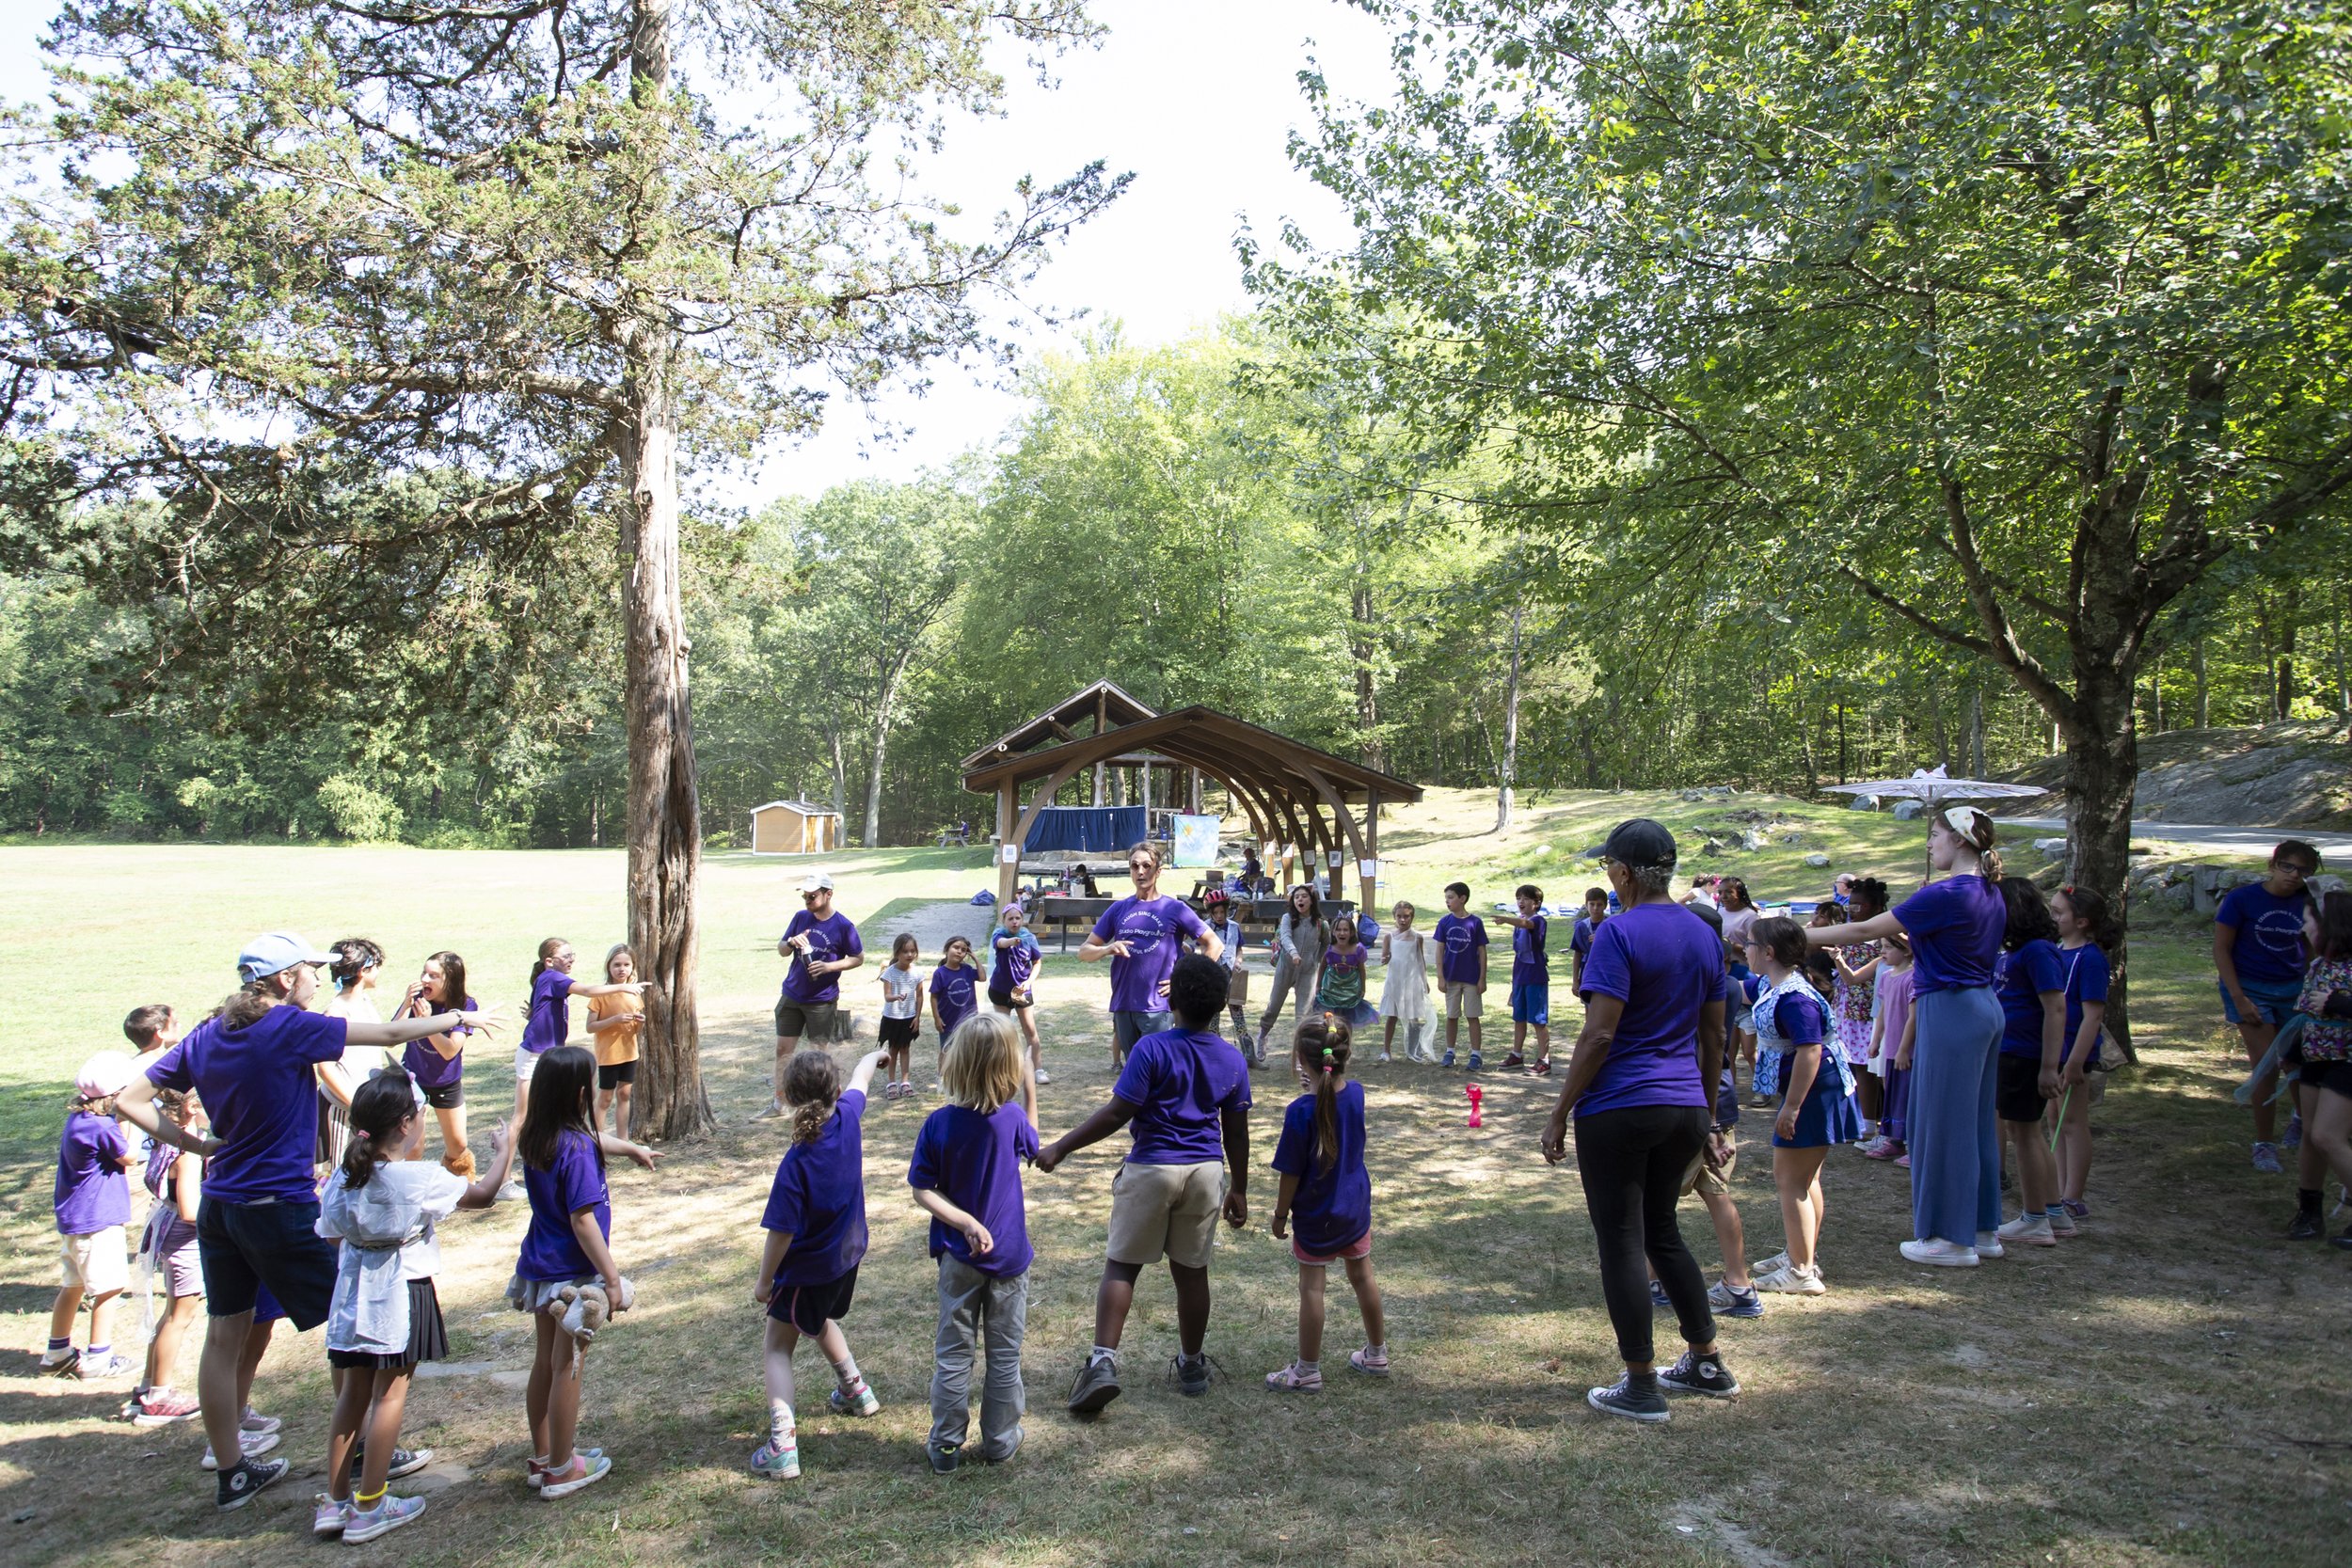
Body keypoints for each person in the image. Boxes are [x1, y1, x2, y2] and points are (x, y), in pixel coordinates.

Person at [115, 933, 499, 1510]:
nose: (319, 979)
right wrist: (458, 1017)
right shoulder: (291, 1028)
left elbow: (129, 1099)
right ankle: (368, 1453)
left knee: (223, 1336)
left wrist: (198, 1147)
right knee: (350, 1335)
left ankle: (232, 1471)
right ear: (284, 978)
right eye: (311, 971)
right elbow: (392, 1035)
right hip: (281, 1207)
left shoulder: (206, 1034)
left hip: (221, 1208)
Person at [1541, 819, 1738, 1423]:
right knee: (1661, 1232)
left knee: (1622, 1240)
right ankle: (1706, 1361)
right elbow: (1713, 1036)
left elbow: (1600, 1032)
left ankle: (1641, 1383)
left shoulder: (1617, 933)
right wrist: (1704, 1118)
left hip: (1622, 1107)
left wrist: (1560, 1110)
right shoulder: (1706, 934)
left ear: (1623, 874)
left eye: (1609, 870)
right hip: (1682, 1107)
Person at [1036, 955, 1250, 1414]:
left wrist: (1060, 1147)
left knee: (1122, 1267)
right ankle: (1191, 1364)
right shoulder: (1231, 1058)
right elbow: (1236, 1131)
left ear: (1170, 998)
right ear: (1218, 1005)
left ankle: (1102, 1364)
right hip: (1205, 1171)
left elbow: (1117, 1113)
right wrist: (1240, 1188)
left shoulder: (1151, 1049)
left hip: (1152, 1167)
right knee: (1192, 1273)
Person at [314, 1069, 516, 1542]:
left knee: (352, 1395)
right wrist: (504, 1152)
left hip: (351, 1292)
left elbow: (329, 1233)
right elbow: (483, 1195)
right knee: (389, 1396)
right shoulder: (418, 1178)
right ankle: (370, 1505)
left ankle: (336, 1499)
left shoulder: (343, 1176)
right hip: (402, 1289)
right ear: (405, 1124)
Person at [1805, 808, 2009, 1267]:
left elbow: (1864, 930)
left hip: (1951, 1008)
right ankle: (1979, 1227)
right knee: (1973, 1125)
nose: (1929, 843)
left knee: (1941, 1125)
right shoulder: (1988, 891)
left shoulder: (1950, 892)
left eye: (1935, 834)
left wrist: (1794, 935)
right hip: (1981, 1006)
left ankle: (1949, 1239)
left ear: (1959, 840)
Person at [510, 1044, 659, 1500]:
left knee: (543, 1364)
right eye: (593, 1083)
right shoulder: (575, 1150)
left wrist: (629, 1147)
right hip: (571, 1277)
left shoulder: (539, 1134)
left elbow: (596, 1138)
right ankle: (561, 1468)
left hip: (539, 1267)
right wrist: (611, 1278)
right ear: (579, 1094)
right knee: (567, 1367)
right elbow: (582, 1220)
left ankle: (543, 1456)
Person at [908, 1015, 1039, 1472]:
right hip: (1007, 1259)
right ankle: (1001, 1441)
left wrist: (961, 1222)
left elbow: (922, 1188)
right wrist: (1031, 1089)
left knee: (953, 1354)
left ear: (955, 1064)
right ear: (1009, 1069)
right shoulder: (1013, 1119)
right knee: (1004, 1356)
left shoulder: (939, 1124)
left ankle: (945, 1445)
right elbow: (1035, 1148)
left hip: (958, 1261)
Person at [751, 1047, 887, 1481]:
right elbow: (862, 1078)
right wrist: (875, 1055)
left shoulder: (796, 1163)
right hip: (845, 1259)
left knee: (777, 1346)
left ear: (790, 1097)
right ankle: (855, 1390)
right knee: (818, 1317)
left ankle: (782, 1445)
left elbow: (782, 1233)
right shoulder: (848, 1117)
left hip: (807, 1270)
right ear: (834, 1090)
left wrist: (765, 1280)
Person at [1265, 1014, 1389, 1391]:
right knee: (1363, 1276)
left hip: (1316, 1215)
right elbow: (1333, 1097)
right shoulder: (1357, 1094)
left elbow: (1290, 1173)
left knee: (1312, 1289)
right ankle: (1376, 1354)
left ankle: (1307, 1371)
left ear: (1302, 1059)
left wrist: (1280, 1214)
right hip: (1353, 1209)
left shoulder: (1299, 1112)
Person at [1745, 917, 1857, 1294]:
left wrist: (1791, 1107)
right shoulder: (1773, 984)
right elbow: (1742, 991)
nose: (1745, 950)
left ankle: (1801, 1270)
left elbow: (1811, 1051)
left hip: (1812, 1093)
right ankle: (1799, 1252)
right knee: (1806, 1180)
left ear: (1769, 952)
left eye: (1749, 944)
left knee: (1790, 1180)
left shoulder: (1795, 999)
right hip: (1808, 1092)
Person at [2217, 840, 2322, 1172]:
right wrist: (2239, 998)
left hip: (2293, 990)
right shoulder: (2242, 899)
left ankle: (2300, 1119)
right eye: (2288, 866)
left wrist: (2311, 989)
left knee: (2298, 1062)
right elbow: (2221, 949)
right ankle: (2264, 1144)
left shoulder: (2307, 902)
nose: (2294, 876)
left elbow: (2311, 950)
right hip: (2249, 988)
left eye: (2303, 871)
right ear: (2273, 865)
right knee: (2265, 1066)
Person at [1079, 841, 1221, 1072]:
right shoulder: (1119, 909)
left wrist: (1187, 983)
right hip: (1123, 1004)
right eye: (1135, 866)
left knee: (1160, 1073)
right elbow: (1084, 952)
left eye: (1146, 865)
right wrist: (1107, 948)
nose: (1141, 871)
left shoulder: (1174, 909)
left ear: (1158, 870)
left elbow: (1214, 943)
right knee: (1135, 1074)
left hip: (1158, 1006)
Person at [1989, 877, 2069, 1247]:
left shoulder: (2038, 951)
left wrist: (2049, 1066)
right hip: (2012, 1053)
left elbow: (2055, 1008)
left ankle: (2034, 1218)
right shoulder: (2015, 950)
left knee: (2024, 1134)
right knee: (2028, 1132)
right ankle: (2053, 1212)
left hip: (2024, 1055)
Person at [47, 1052, 137, 1381]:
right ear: (116, 1095)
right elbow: (129, 1157)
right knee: (109, 1288)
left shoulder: (79, 1119)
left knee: (73, 1285)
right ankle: (100, 1357)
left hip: (75, 1221)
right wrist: (132, 1118)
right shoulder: (102, 1126)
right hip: (97, 1222)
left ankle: (57, 1352)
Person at [761, 873, 866, 1120]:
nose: (807, 900)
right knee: (783, 1051)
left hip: (821, 999)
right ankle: (779, 1103)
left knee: (818, 1054)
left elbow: (858, 958)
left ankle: (818, 1104)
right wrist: (790, 942)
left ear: (828, 894)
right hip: (792, 995)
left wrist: (830, 967)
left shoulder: (843, 926)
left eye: (812, 895)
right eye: (804, 896)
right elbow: (781, 950)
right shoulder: (801, 917)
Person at [129, 1089, 206, 1424]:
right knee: (180, 1317)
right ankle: (160, 1396)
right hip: (184, 1238)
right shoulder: (188, 1149)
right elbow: (191, 1210)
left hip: (166, 1226)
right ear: (191, 1107)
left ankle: (147, 1387)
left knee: (170, 1313)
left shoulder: (165, 1137)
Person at [517, 938, 647, 1131]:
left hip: (551, 1053)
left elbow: (544, 1006)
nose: (571, 960)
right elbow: (587, 991)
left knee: (551, 1111)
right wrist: (624, 986)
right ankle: (510, 1155)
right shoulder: (553, 977)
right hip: (535, 1053)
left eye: (572, 955)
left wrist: (534, 1015)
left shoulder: (550, 979)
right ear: (549, 961)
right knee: (522, 1117)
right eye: (566, 956)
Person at [2289, 893, 2352, 1247]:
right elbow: (2307, 1014)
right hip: (2315, 1057)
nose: (2303, 927)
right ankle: (2309, 1214)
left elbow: (2334, 1006)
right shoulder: (2318, 965)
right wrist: (2293, 1052)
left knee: (2328, 1136)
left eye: (2309, 920)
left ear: (2330, 926)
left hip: (2348, 1061)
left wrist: (2338, 1003)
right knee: (2311, 1135)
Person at [2048, 886, 2114, 1221]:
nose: (2053, 918)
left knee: (2072, 1122)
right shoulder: (2056, 950)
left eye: (2060, 913)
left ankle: (2074, 1196)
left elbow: (2093, 1016)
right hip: (2049, 1051)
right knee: (2053, 1119)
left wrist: (2075, 1062)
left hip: (2073, 1054)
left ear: (2083, 922)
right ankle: (2058, 1191)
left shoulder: (2090, 960)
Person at [393, 952, 477, 1177]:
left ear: (450, 979)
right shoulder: (418, 999)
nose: (424, 980)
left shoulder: (466, 1005)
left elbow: (450, 1050)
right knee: (413, 1147)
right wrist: (405, 1004)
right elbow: (393, 1034)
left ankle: (458, 1190)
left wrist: (427, 1023)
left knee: (458, 1146)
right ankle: (409, 1192)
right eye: (424, 973)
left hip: (445, 1082)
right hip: (413, 1079)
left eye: (433, 975)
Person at [316, 939, 391, 1173]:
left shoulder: (364, 1001)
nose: (379, 971)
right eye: (376, 965)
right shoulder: (336, 1012)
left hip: (365, 1109)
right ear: (363, 970)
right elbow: (325, 1068)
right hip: (343, 1111)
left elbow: (380, 1038)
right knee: (343, 1174)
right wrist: (355, 1107)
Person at [1830, 879, 1888, 1141]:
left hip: (1867, 1008)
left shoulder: (1885, 932)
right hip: (1846, 1004)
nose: (1853, 910)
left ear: (1875, 906)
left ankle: (1869, 1122)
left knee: (1866, 1066)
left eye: (1859, 905)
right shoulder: (1850, 928)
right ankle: (1859, 1117)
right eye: (1850, 904)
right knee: (1851, 1063)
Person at [1255, 884, 1330, 1068]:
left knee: (1303, 1014)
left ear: (1311, 900)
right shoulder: (1288, 918)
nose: (1300, 900)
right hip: (1286, 967)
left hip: (1308, 972)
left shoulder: (1321, 923)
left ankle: (1300, 1053)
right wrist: (1294, 953)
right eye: (1297, 897)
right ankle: (1262, 1037)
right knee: (1274, 1007)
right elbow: (1285, 937)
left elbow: (1326, 943)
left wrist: (1315, 960)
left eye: (1304, 896)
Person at [1862, 933, 1917, 1164]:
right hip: (1891, 1048)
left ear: (1906, 950)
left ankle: (1913, 1146)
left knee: (1908, 1097)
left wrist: (1904, 1049)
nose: (1882, 952)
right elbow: (1883, 1011)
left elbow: (1914, 1017)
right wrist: (1876, 1040)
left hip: (1908, 1051)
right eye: (1881, 947)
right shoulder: (1885, 976)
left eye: (1887, 948)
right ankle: (1894, 1141)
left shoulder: (1914, 977)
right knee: (1893, 1095)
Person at [585, 944, 645, 1140]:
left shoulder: (634, 993)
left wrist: (639, 1024)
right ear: (608, 967)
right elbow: (590, 1026)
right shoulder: (600, 994)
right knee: (605, 1098)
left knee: (624, 1095)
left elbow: (635, 1029)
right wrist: (614, 1020)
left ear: (632, 967)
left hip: (629, 1052)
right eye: (617, 964)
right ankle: (597, 1140)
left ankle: (623, 1140)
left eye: (627, 964)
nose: (622, 969)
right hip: (608, 1055)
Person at [1496, 884, 1553, 1073]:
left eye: (1526, 899)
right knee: (1519, 1017)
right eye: (1519, 898)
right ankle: (1516, 1055)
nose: (1521, 902)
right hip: (1520, 976)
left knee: (1537, 1019)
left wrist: (1505, 919)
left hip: (1535, 976)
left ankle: (1544, 1059)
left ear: (1536, 903)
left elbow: (1527, 925)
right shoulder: (1519, 921)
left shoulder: (1538, 921)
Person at [1434, 881, 1490, 1070]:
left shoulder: (1475, 922)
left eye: (1451, 897)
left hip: (1472, 978)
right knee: (1452, 1015)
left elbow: (1482, 952)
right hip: (1451, 977)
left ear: (1462, 899)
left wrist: (1482, 978)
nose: (1447, 902)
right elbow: (1439, 950)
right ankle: (1450, 1051)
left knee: (1472, 1016)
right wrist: (1440, 976)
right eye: (1446, 898)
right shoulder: (1444, 922)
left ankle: (1476, 1054)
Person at [1377, 900, 1434, 1064]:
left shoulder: (1417, 938)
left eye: (1406, 917)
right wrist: (1385, 958)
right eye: (1399, 916)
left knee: (1414, 1017)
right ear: (1394, 917)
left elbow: (1420, 960)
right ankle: (1386, 1050)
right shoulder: (1389, 936)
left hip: (1412, 981)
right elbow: (1384, 957)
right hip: (1395, 980)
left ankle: (1413, 1050)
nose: (1403, 920)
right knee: (1392, 1016)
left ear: (1412, 917)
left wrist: (1425, 981)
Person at [877, 934, 925, 1101]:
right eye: (905, 951)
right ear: (897, 953)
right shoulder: (890, 972)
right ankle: (891, 1082)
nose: (909, 955)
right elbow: (887, 996)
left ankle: (905, 1081)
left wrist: (917, 1017)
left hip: (909, 1017)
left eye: (912, 951)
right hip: (892, 1017)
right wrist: (896, 997)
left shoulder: (917, 973)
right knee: (893, 1049)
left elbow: (919, 996)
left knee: (905, 1049)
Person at [1315, 920, 1376, 1033]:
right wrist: (1318, 985)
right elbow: (1322, 966)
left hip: (1350, 990)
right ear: (1333, 932)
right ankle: (1332, 1039)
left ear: (1352, 932)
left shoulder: (1358, 949)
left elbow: (1362, 970)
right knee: (1331, 1017)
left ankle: (1346, 1042)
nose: (1342, 933)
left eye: (1345, 930)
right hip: (1331, 989)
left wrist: (1363, 988)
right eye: (1338, 929)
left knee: (1347, 1019)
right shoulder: (1329, 948)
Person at [1570, 889, 1609, 992]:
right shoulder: (1581, 927)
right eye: (1592, 904)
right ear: (1586, 905)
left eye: (1599, 905)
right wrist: (1575, 980)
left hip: (1607, 969)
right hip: (1587, 969)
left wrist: (1602, 938)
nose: (1595, 908)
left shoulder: (1611, 925)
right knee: (1588, 1002)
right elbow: (1577, 954)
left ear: (1605, 905)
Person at [1717, 879, 1759, 953]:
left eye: (1729, 892)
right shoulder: (1719, 912)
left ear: (1739, 894)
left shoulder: (1750, 916)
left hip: (1741, 962)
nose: (1723, 896)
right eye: (1720, 892)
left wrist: (1731, 945)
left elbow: (1757, 949)